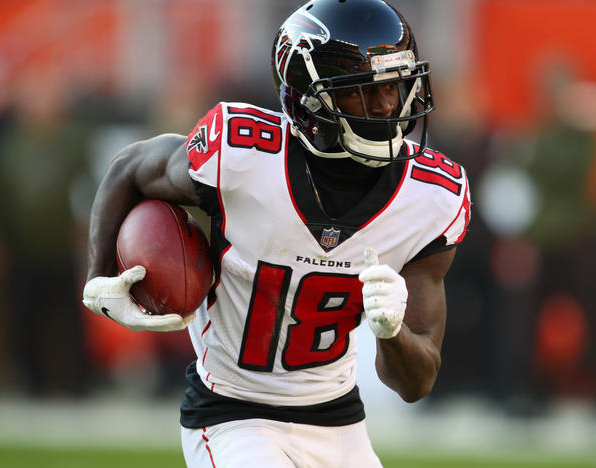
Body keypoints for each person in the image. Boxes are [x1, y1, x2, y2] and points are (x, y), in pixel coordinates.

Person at [82, 0, 471, 466]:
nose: (390, 105)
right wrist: (99, 277)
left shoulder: (430, 198)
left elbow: (416, 383)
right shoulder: (242, 155)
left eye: (396, 86)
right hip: (233, 413)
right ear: (310, 97)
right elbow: (128, 167)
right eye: (364, 91)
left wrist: (391, 332)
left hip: (339, 421)